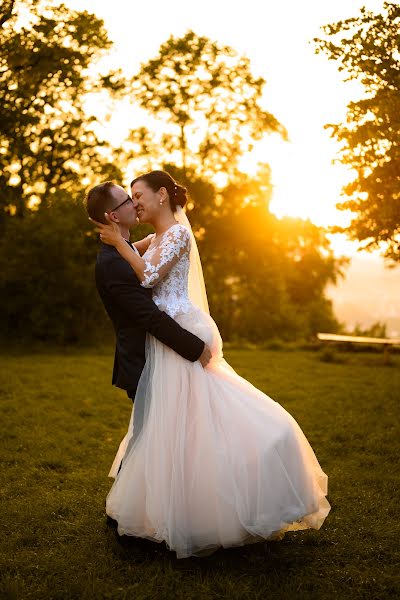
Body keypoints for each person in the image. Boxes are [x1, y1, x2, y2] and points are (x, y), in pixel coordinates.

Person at [91, 170, 331, 559]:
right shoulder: (157, 237)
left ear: (163, 196)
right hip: (165, 339)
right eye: (129, 198)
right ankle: (180, 508)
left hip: (181, 332)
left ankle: (246, 480)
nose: (135, 202)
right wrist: (124, 241)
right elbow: (147, 254)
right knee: (178, 427)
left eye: (139, 195)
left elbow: (149, 276)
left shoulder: (176, 235)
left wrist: (120, 243)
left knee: (204, 416)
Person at [86, 182, 212, 450]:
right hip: (143, 364)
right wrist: (195, 348)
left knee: (160, 440)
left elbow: (158, 243)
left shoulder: (128, 249)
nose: (134, 203)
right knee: (148, 443)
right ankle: (129, 493)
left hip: (159, 359)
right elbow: (149, 318)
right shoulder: (113, 263)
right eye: (127, 201)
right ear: (114, 216)